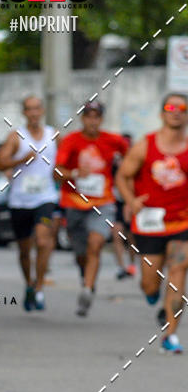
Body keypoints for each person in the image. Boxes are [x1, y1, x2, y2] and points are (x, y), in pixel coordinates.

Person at [116, 92, 188, 353]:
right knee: (150, 282)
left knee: (178, 273)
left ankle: (170, 336)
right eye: (171, 107)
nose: (177, 111)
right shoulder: (145, 146)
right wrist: (131, 200)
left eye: (182, 107)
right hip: (149, 224)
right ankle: (152, 294)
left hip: (182, 224)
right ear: (162, 113)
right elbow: (123, 177)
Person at [55, 101, 129, 316]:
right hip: (74, 203)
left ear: (101, 119)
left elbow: (131, 157)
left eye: (96, 116)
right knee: (81, 253)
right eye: (88, 116)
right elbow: (57, 172)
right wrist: (75, 174)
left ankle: (87, 290)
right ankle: (85, 275)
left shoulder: (113, 141)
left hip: (102, 202)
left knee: (95, 244)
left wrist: (125, 173)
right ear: (82, 119)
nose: (92, 121)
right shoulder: (71, 141)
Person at [0, 96, 59, 311]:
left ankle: (40, 287)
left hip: (45, 198)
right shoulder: (16, 137)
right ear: (24, 113)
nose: (33, 113)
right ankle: (29, 285)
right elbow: (1, 162)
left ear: (42, 110)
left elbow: (64, 163)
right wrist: (20, 160)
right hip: (20, 201)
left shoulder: (53, 135)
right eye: (29, 109)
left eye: (37, 108)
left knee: (43, 241)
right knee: (24, 250)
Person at [112, 132, 137, 280]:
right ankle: (121, 267)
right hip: (116, 202)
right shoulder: (114, 161)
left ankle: (132, 265)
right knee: (117, 233)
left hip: (130, 201)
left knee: (131, 236)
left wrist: (131, 202)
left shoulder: (135, 161)